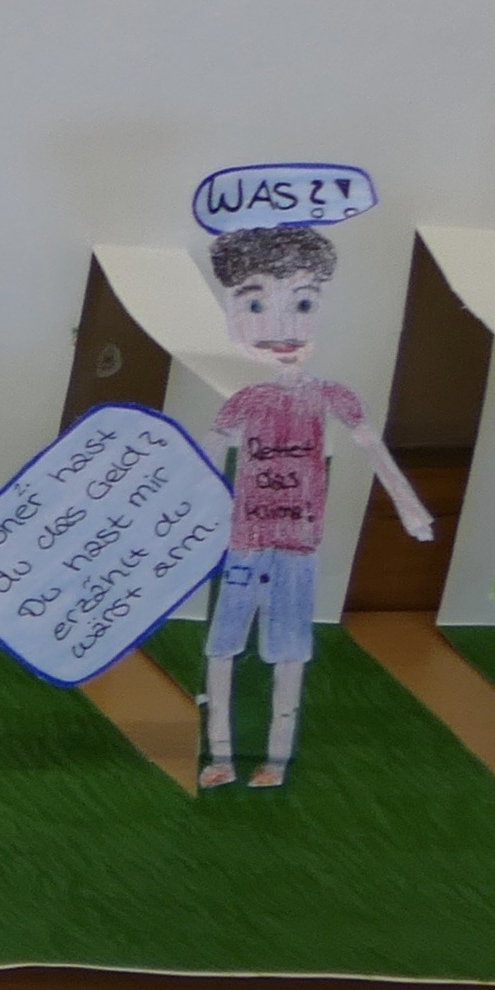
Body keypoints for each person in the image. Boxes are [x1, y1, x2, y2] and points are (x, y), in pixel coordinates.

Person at [191, 225, 437, 790]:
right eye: (258, 306)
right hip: (245, 543)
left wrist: (409, 507)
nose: (283, 330)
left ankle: (277, 759)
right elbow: (206, 459)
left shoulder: (331, 395)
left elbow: (371, 447)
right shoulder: (244, 400)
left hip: (299, 547)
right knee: (223, 646)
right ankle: (221, 754)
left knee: (290, 653)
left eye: (301, 305)